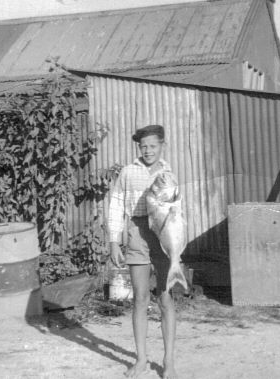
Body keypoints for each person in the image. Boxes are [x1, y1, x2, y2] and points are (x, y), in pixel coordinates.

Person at [108, 124, 179, 379]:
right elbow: (116, 206)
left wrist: (176, 247)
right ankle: (141, 361)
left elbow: (177, 213)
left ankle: (168, 361)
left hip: (163, 234)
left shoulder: (169, 173)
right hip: (137, 233)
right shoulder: (128, 172)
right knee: (139, 298)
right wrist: (114, 241)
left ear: (162, 145)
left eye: (153, 145)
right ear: (139, 147)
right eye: (143, 146)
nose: (148, 150)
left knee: (165, 298)